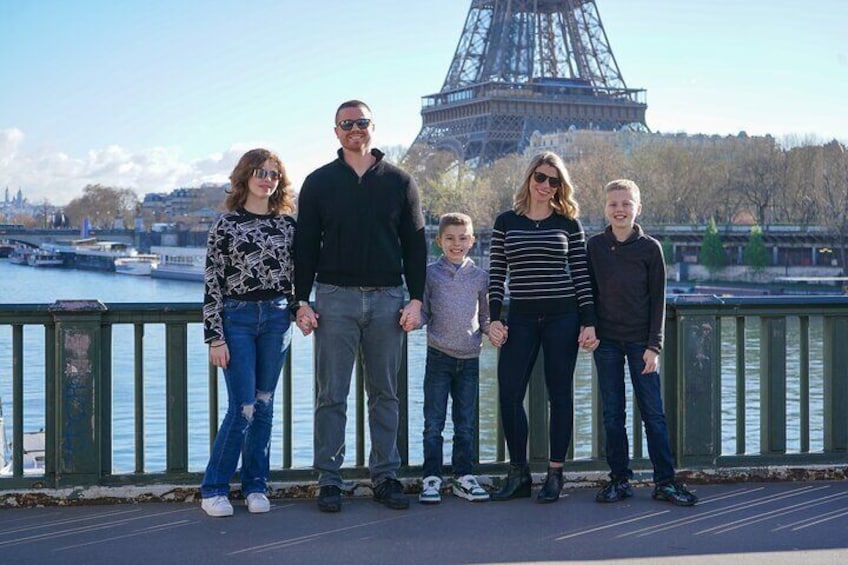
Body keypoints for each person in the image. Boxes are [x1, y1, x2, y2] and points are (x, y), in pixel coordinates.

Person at [293, 100, 427, 512]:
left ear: (373, 126)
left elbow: (416, 246)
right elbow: (304, 247)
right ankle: (329, 479)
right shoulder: (317, 183)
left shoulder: (401, 182)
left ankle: (385, 476)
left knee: (385, 394)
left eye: (362, 122)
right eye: (346, 123)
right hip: (334, 298)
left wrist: (417, 299)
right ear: (336, 131)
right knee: (330, 394)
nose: (355, 128)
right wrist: (300, 300)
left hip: (389, 298)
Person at [487, 151, 597, 504]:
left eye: (554, 180)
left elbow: (581, 276)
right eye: (540, 177)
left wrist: (589, 322)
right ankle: (518, 472)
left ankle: (554, 473)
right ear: (529, 178)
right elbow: (496, 276)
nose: (546, 185)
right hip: (519, 318)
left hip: (562, 318)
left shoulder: (568, 225)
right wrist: (493, 318)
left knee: (560, 394)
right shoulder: (506, 221)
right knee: (508, 393)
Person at [587, 179, 698, 506]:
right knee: (612, 414)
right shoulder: (593, 246)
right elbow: (588, 294)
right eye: (613, 204)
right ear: (605, 208)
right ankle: (619, 479)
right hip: (605, 342)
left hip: (641, 343)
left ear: (638, 208)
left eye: (626, 203)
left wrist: (655, 346)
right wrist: (589, 326)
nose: (619, 209)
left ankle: (665, 480)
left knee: (654, 413)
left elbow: (658, 301)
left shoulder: (651, 248)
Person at [200, 148, 296, 517]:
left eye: (273, 173)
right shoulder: (225, 225)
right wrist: (215, 336)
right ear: (244, 177)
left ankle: (256, 484)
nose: (266, 178)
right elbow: (211, 282)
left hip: (276, 319)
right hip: (236, 318)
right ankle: (214, 487)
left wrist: (300, 308)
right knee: (242, 408)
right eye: (259, 171)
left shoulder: (288, 225)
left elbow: (297, 277)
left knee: (265, 406)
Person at [418, 212, 490, 504]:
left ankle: (463, 476)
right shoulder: (430, 274)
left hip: (470, 358)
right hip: (439, 356)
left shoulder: (480, 277)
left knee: (465, 423)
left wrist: (494, 331)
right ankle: (431, 477)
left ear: (471, 241)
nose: (456, 243)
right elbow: (423, 312)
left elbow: (485, 318)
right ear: (439, 241)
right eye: (450, 238)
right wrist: (411, 319)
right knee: (433, 422)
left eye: (462, 238)